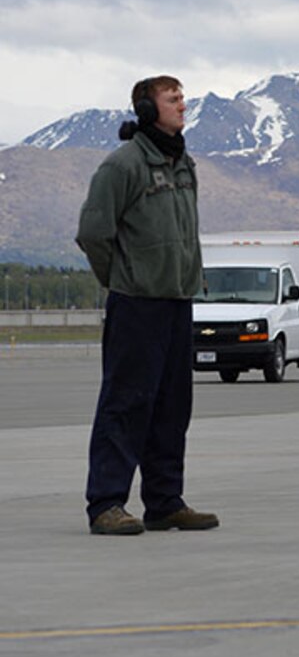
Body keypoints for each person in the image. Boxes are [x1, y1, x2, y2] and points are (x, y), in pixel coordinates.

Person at [75, 76, 218, 535]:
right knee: (126, 403)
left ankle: (164, 501)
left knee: (172, 406)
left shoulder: (183, 164)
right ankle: (106, 504)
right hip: (137, 304)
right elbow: (94, 233)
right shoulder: (123, 166)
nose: (182, 105)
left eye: (182, 97)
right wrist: (122, 280)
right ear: (146, 108)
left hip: (177, 302)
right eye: (172, 98)